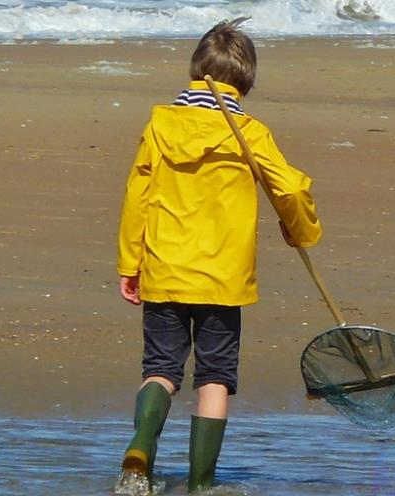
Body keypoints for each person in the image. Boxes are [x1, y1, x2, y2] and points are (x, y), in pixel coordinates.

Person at [115, 18, 322, 493]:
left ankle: (140, 446)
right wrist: (301, 230)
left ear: (196, 71)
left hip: (166, 267)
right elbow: (288, 187)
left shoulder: (160, 123)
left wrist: (131, 262)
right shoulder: (250, 131)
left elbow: (137, 196)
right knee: (214, 377)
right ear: (245, 80)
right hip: (223, 277)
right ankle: (201, 484)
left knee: (161, 369)